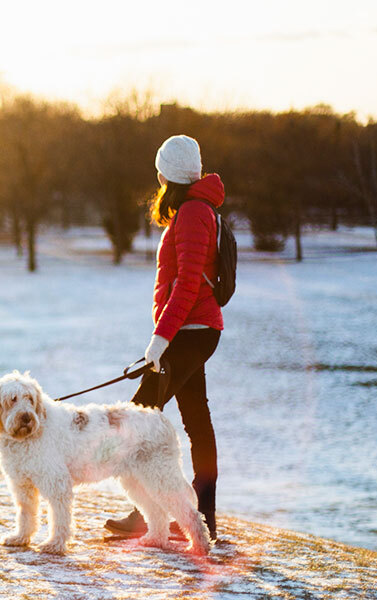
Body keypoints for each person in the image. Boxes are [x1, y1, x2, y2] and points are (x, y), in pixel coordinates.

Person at [104, 134, 225, 541]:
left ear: (165, 176)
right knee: (196, 423)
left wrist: (159, 343)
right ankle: (200, 516)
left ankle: (148, 516)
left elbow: (188, 284)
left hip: (190, 332)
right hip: (193, 332)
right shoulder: (197, 209)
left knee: (137, 417)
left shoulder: (192, 212)